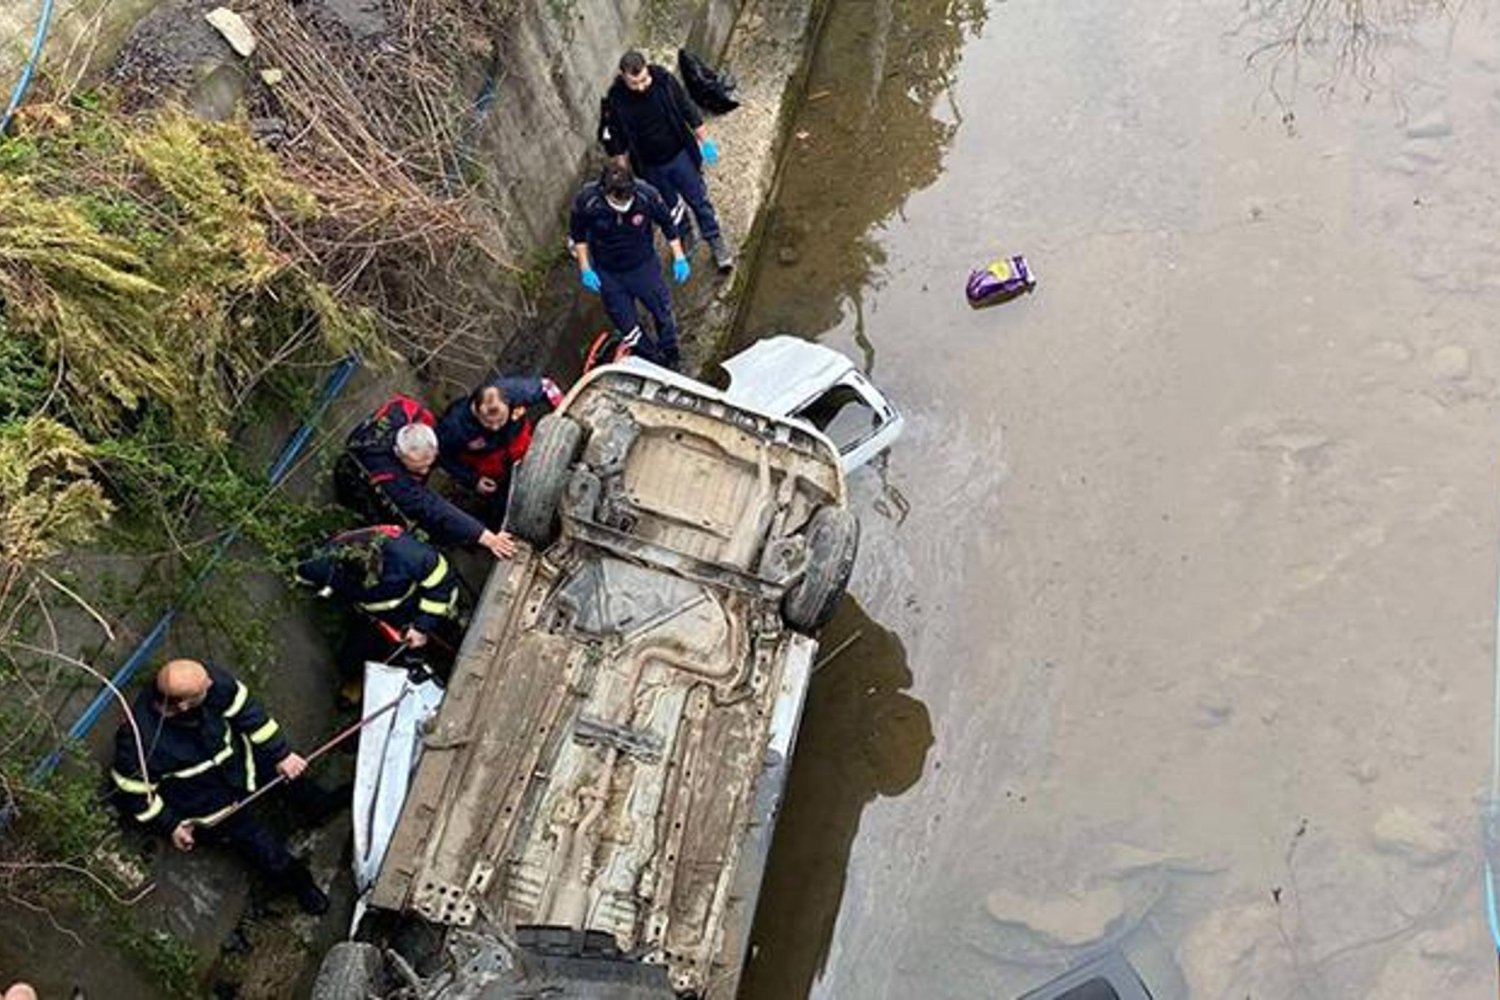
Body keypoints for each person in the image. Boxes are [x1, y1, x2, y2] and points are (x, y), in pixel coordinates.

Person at [109, 659, 337, 914]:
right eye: (204, 687)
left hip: (241, 764)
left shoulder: (207, 680)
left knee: (289, 777)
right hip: (210, 803)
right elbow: (136, 793)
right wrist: (171, 824)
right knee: (261, 846)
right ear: (183, 705)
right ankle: (300, 885)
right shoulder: (139, 743)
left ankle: (320, 805)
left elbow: (248, 711)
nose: (211, 682)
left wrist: (281, 753)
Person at [599, 49, 734, 273]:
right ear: (623, 76)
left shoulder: (663, 82)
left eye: (644, 80)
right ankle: (685, 234)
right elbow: (617, 141)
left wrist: (705, 140)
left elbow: (687, 109)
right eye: (634, 83)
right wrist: (622, 171)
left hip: (679, 155)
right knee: (671, 207)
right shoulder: (616, 100)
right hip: (649, 166)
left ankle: (714, 239)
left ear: (647, 69)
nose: (641, 87)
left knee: (698, 199)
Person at [334, 393, 517, 559]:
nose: (424, 472)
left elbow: (443, 453)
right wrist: (485, 537)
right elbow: (431, 506)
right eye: (419, 467)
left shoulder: (414, 415)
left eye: (428, 465)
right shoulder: (389, 478)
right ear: (400, 455)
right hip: (356, 481)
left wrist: (472, 479)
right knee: (393, 517)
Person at [295, 525, 461, 696]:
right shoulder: (319, 565)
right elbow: (302, 572)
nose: (373, 581)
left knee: (448, 637)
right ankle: (358, 681)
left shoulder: (411, 555)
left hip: (417, 605)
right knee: (350, 661)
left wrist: (422, 626)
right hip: (376, 618)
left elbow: (443, 583)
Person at [569, 162, 690, 370]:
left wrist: (679, 256)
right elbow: (578, 235)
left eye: (628, 197)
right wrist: (585, 268)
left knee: (663, 313)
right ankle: (653, 360)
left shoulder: (646, 195)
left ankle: (671, 353)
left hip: (643, 266)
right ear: (605, 191)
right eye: (619, 199)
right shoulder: (588, 201)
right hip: (609, 272)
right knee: (628, 327)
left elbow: (667, 224)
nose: (625, 203)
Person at [436, 375, 564, 528]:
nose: (495, 427)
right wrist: (474, 480)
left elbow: (547, 387)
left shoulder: (516, 391)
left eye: (501, 420)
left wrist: (562, 412)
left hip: (524, 447)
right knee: (504, 505)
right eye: (488, 423)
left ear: (508, 403)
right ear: (476, 410)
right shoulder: (454, 427)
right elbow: (442, 455)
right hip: (493, 472)